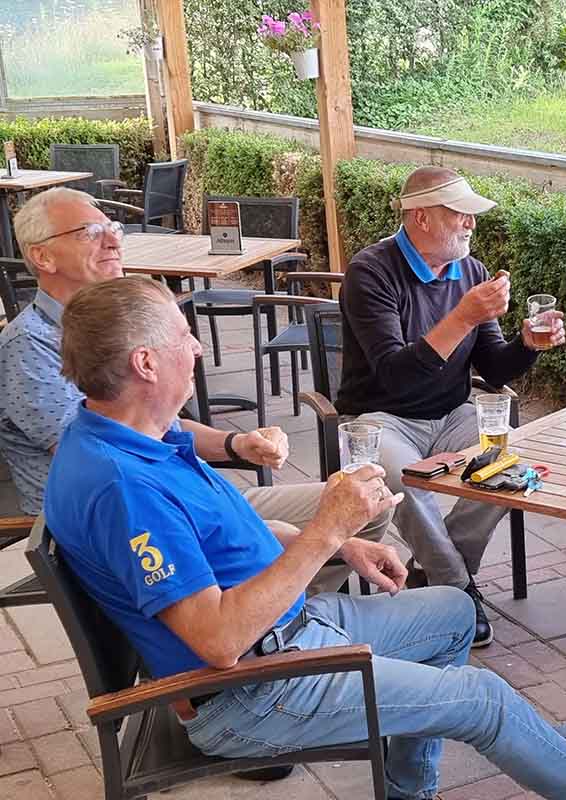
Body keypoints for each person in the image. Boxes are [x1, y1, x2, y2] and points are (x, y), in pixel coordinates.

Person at [43, 276, 566, 800]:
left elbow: (222, 534)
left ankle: (408, 790)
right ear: (145, 362)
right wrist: (327, 526)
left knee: (454, 612)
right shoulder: (124, 486)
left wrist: (339, 543)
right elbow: (217, 640)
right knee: (484, 700)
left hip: (287, 635)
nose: (197, 348)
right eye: (184, 336)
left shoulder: (130, 433)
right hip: (251, 691)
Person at [0, 187, 383, 595]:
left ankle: (289, 609)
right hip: (135, 523)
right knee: (330, 526)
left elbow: (153, 427)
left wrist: (237, 444)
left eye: (113, 227)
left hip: (181, 494)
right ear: (42, 256)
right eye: (89, 232)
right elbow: (109, 460)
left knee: (367, 502)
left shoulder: (117, 324)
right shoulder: (29, 347)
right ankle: (280, 618)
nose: (113, 240)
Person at [337, 166, 564, 647]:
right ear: (421, 217)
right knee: (401, 478)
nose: (471, 224)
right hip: (381, 416)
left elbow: (494, 367)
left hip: (453, 412)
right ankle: (459, 588)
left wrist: (527, 344)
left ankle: (436, 568)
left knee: (514, 466)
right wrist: (463, 315)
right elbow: (394, 374)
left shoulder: (471, 271)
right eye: (460, 213)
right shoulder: (370, 271)